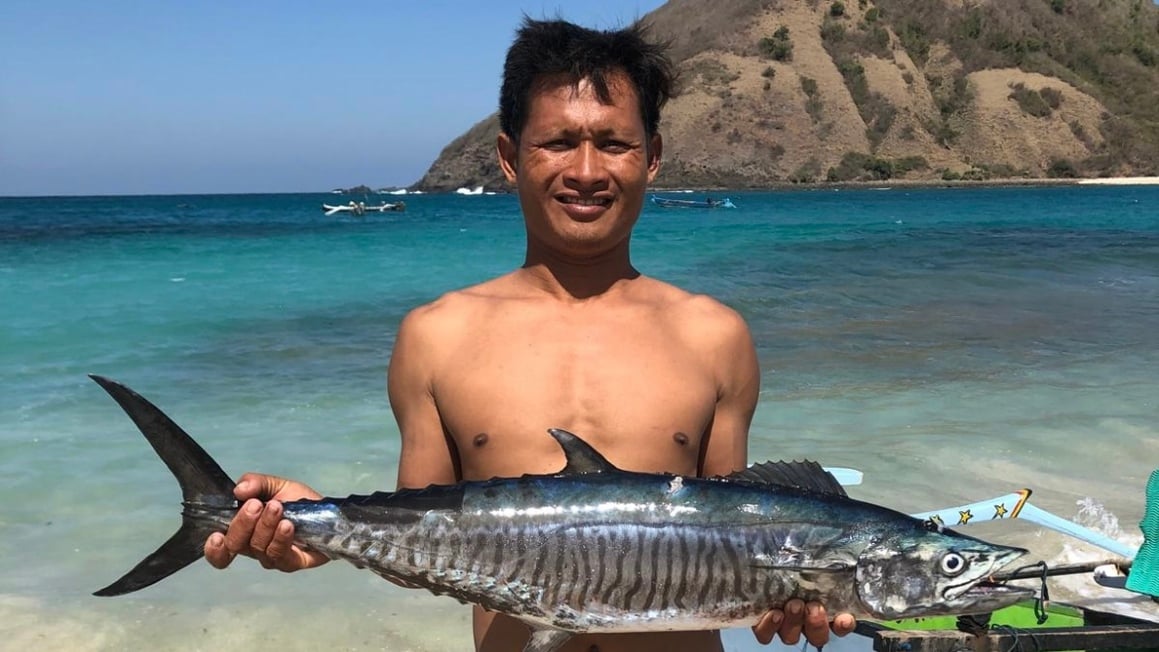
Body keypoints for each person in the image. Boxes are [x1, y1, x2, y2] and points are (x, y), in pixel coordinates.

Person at [203, 17, 856, 652]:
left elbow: (744, 539)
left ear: (651, 158)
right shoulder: (436, 335)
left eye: (613, 143)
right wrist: (312, 537)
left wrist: (794, 604)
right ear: (510, 157)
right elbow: (416, 541)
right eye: (558, 142)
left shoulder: (715, 335)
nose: (586, 171)